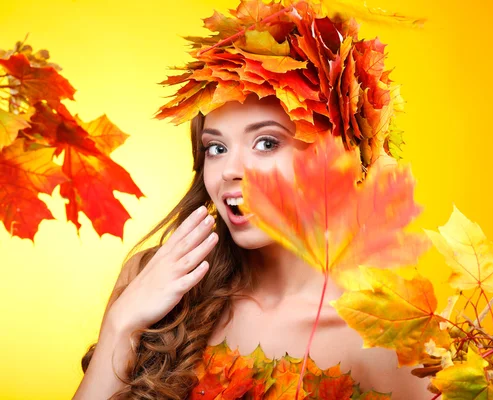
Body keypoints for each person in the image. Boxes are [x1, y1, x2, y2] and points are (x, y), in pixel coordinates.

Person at [73, 1, 432, 399]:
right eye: (215, 148)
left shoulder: (390, 339)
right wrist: (121, 326)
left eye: (266, 142)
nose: (230, 170)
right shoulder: (152, 282)